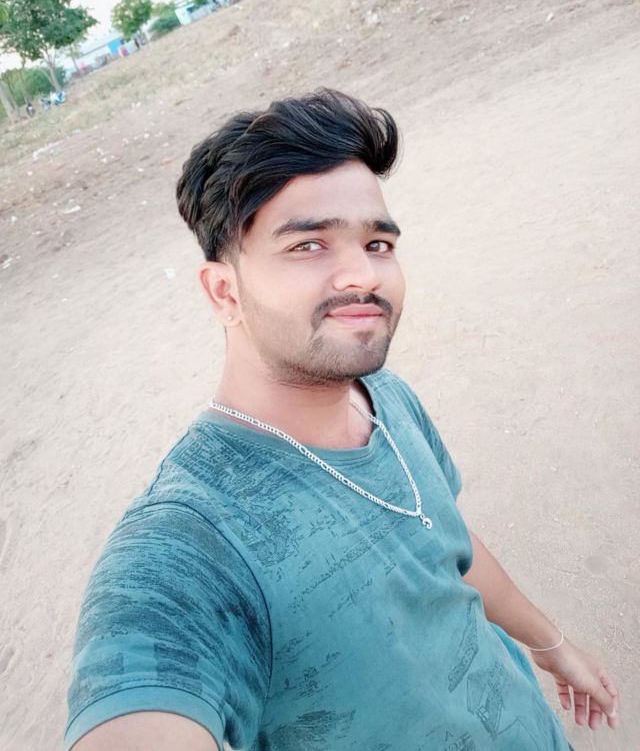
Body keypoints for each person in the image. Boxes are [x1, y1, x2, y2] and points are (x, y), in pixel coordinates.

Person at [65, 89, 619, 750]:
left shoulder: (385, 396)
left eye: (377, 243)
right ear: (224, 290)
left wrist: (552, 644)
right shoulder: (191, 541)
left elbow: (444, 543)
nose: (363, 275)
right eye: (309, 245)